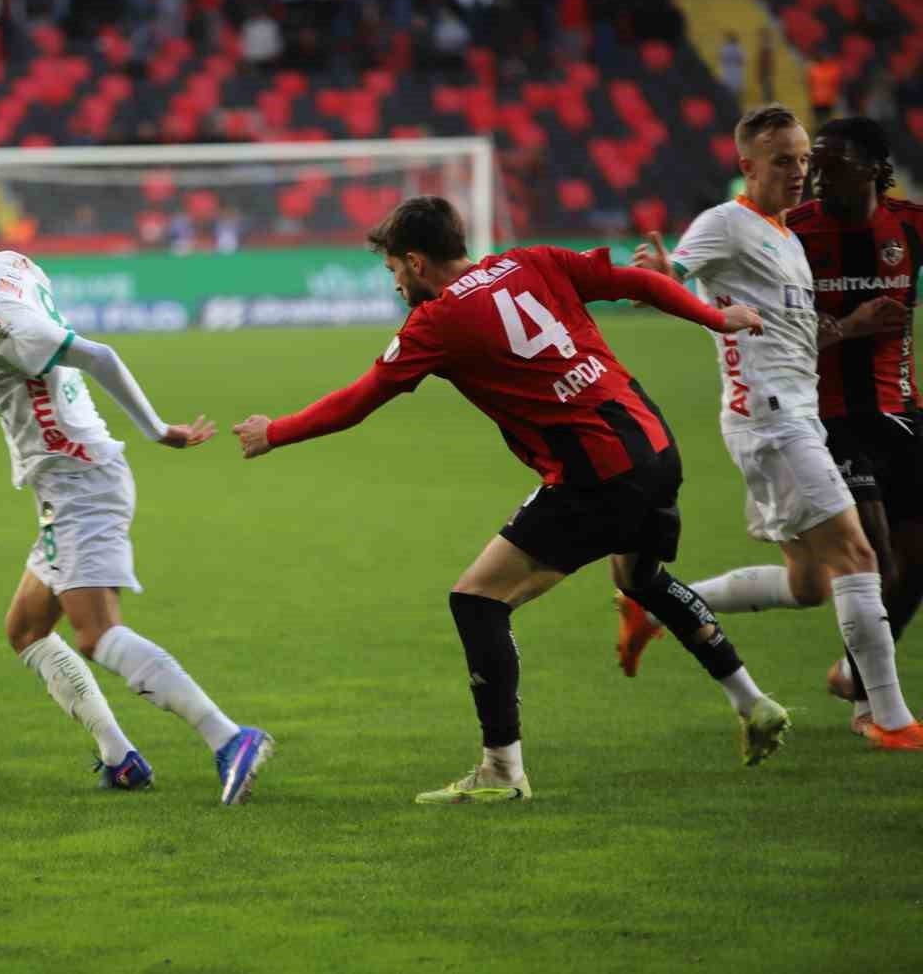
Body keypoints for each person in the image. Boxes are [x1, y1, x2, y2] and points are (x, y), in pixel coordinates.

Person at [233, 195, 784, 806]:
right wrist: (715, 319)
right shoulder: (532, 260)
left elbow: (358, 400)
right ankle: (752, 702)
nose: (394, 284)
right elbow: (636, 281)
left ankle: (502, 769)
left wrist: (274, 431)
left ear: (416, 262)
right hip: (654, 444)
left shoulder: (435, 321)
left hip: (594, 473)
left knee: (477, 599)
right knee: (640, 577)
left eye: (393, 270)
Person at [0, 186, 273, 804]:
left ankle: (229, 738)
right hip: (63, 484)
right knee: (28, 629)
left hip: (80, 480)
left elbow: (98, 355)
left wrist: (157, 429)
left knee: (97, 636)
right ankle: (120, 758)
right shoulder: (7, 264)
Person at [614, 105, 923, 751]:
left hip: (791, 415)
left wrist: (851, 326)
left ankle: (658, 603)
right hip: (774, 421)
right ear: (746, 166)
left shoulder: (783, 235)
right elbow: (675, 273)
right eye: (784, 159)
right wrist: (663, 277)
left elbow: (794, 333)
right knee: (861, 554)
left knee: (810, 584)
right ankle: (889, 720)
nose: (800, 171)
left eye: (803, 158)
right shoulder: (727, 224)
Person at [793, 118, 922, 733]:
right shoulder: (792, 233)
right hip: (826, 420)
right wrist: (848, 327)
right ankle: (882, 712)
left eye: (832, 164)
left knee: (914, 563)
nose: (817, 176)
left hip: (899, 414)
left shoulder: (909, 226)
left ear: (873, 168)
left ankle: (855, 673)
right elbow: (775, 332)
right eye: (814, 164)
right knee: (875, 560)